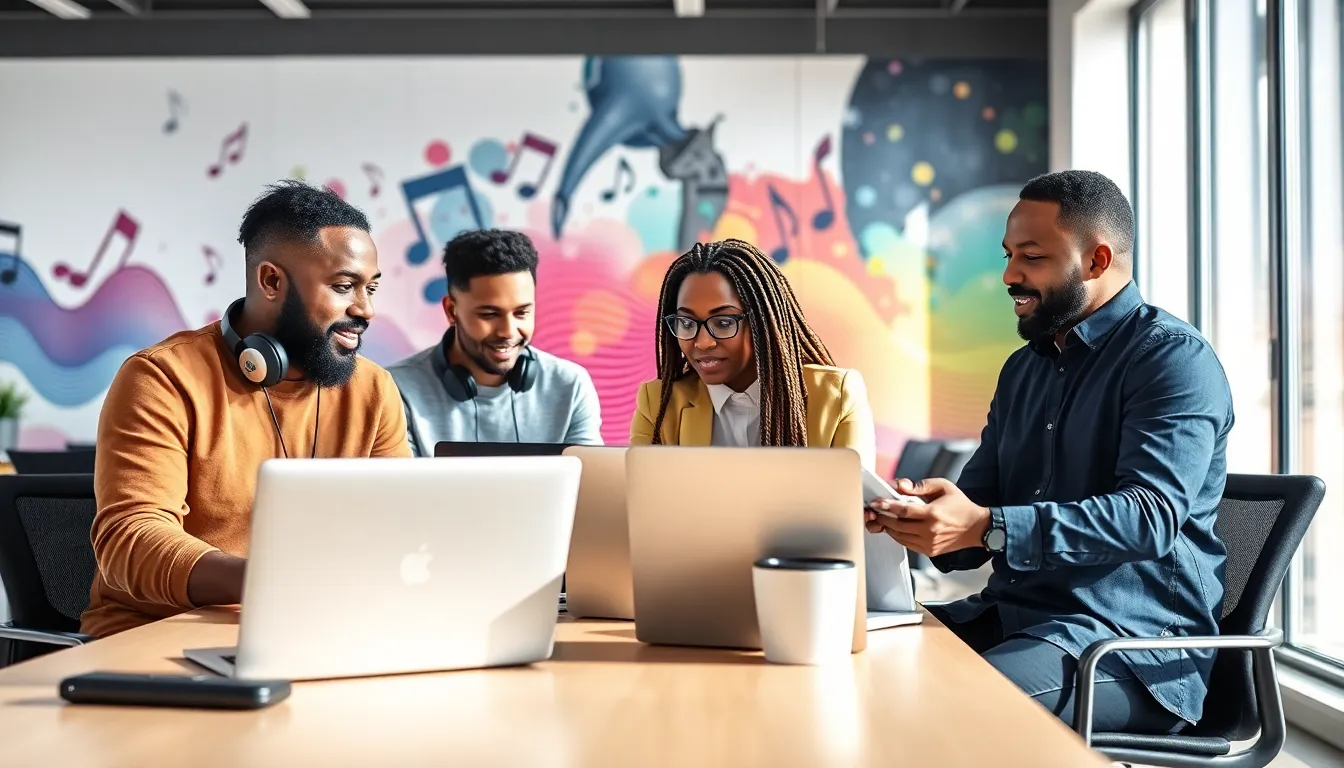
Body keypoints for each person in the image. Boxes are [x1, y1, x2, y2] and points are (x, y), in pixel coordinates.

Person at [865, 170, 1233, 734]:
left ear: (1097, 260)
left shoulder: (1173, 359)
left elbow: (1149, 518)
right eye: (1009, 255)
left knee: (949, 711)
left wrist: (988, 527)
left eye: (1031, 257)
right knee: (857, 665)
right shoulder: (1023, 371)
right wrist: (917, 518)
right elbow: (975, 508)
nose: (1009, 275)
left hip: (1128, 649)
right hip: (1011, 619)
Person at [80, 181, 412, 638]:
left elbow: (398, 525)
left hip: (319, 629)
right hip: (159, 635)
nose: (366, 309)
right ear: (271, 281)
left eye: (370, 288)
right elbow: (130, 540)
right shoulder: (162, 377)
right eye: (344, 287)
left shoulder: (373, 390)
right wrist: (271, 582)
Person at [629, 238, 875, 466]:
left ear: (763, 322)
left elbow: (852, 497)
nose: (702, 342)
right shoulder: (658, 403)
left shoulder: (836, 397)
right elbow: (640, 495)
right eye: (686, 323)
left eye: (723, 323)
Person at [389, 229, 602, 454]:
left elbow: (590, 476)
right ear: (452, 311)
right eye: (489, 315)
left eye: (521, 313)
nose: (508, 331)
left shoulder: (570, 385)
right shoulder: (395, 389)